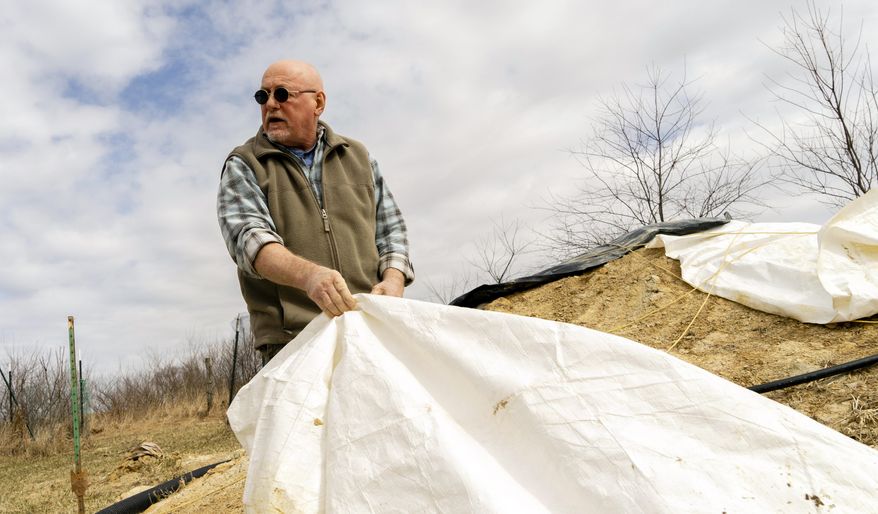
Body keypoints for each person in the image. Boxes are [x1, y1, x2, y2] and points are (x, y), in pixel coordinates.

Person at [217, 60, 414, 363]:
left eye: (282, 94)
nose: (270, 104)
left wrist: (393, 280)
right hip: (294, 342)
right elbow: (250, 242)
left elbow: (391, 231)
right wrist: (309, 277)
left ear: (318, 102)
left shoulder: (359, 157)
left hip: (370, 328)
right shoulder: (244, 164)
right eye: (262, 96)